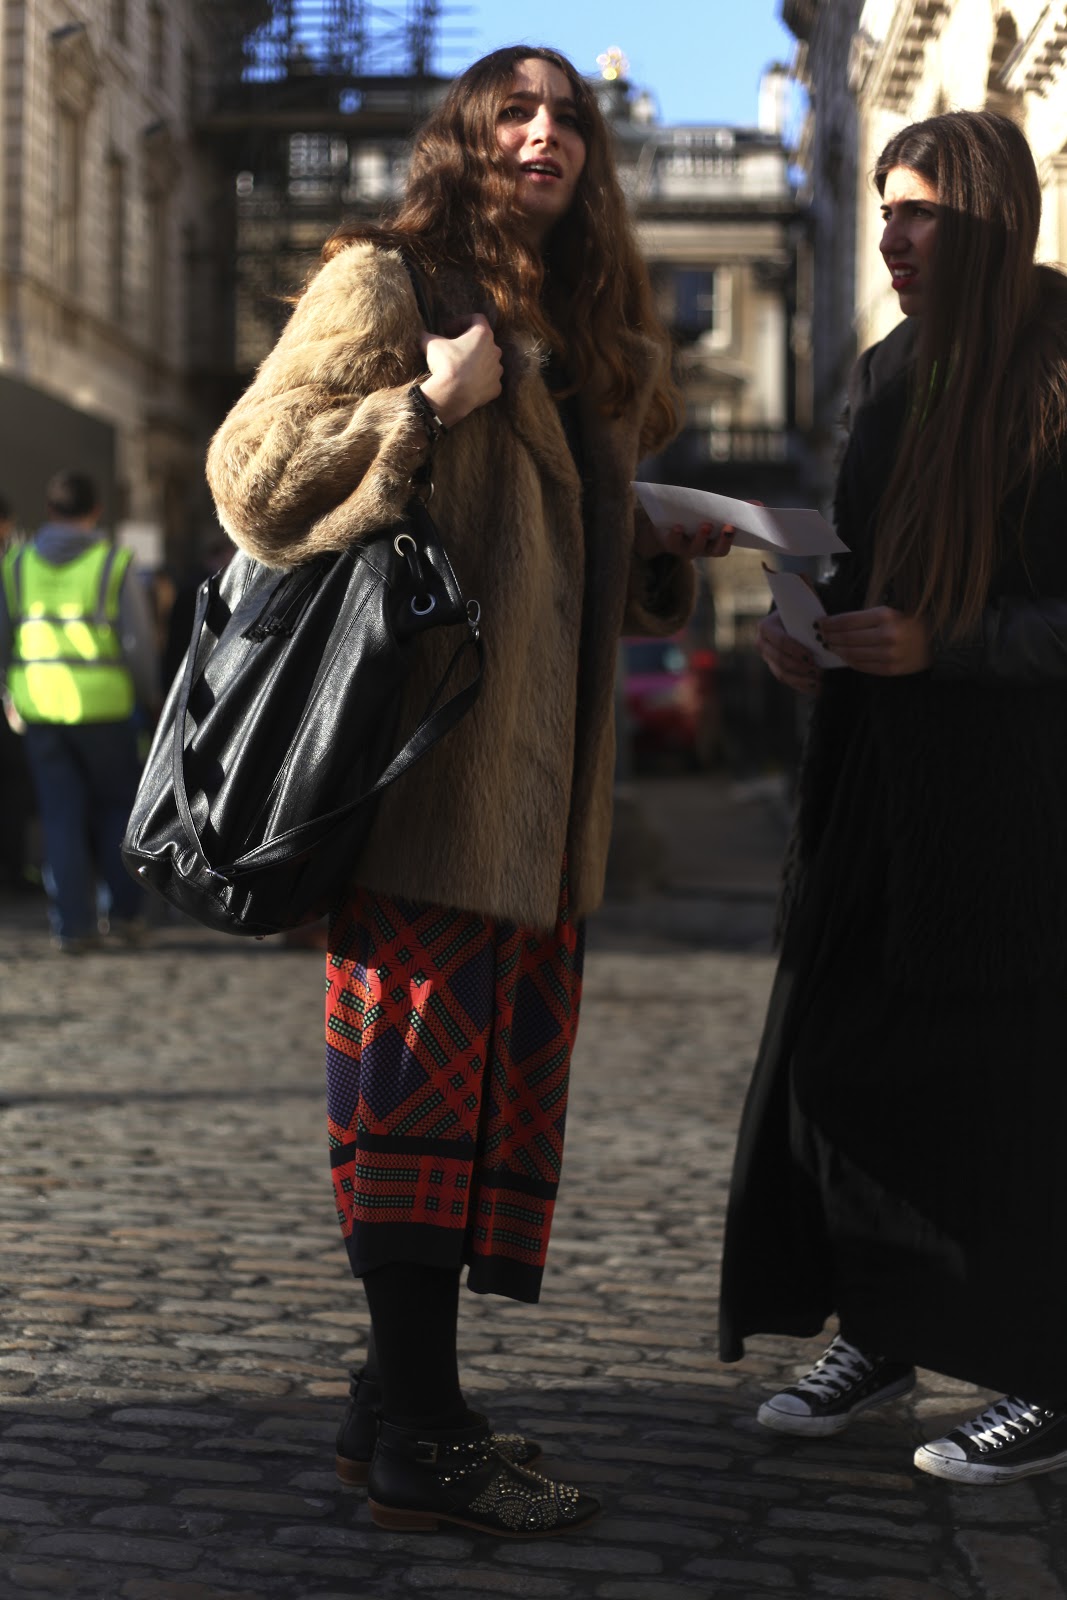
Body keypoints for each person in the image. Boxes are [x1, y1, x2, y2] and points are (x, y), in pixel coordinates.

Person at [206, 45, 731, 1536]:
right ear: (463, 136)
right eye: (513, 108)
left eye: (567, 117)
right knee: (413, 1099)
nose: (543, 133)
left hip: (541, 797)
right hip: (427, 776)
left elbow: (542, 561)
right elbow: (251, 476)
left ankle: (391, 1399)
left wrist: (650, 553)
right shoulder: (390, 284)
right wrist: (421, 409)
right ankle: (426, 1431)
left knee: (480, 1102)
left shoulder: (587, 331)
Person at [718, 108, 1067, 1487]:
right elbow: (862, 563)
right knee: (838, 1063)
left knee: (1006, 1089)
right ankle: (879, 1325)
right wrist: (809, 641)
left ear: (984, 215)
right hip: (871, 788)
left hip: (1018, 803)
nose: (886, 236)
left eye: (915, 211)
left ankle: (1042, 1370)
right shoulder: (884, 365)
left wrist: (951, 644)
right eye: (880, 209)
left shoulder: (1060, 360)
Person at [0, 470, 160, 950]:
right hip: (107, 710)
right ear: (95, 512)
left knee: (59, 816)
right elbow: (137, 644)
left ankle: (72, 927)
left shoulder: (17, 564)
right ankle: (125, 917)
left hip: (41, 709)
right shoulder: (112, 563)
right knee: (116, 811)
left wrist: (9, 694)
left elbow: (4, 638)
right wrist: (150, 696)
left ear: (49, 510)